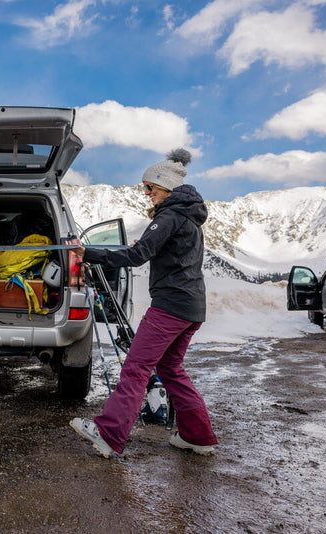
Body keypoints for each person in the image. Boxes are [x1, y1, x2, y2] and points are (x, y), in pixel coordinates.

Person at [69, 149, 218, 458]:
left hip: (170, 306)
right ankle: (198, 436)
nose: (146, 193)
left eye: (149, 187)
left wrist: (88, 253)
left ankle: (109, 434)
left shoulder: (169, 214)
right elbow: (167, 252)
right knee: (171, 368)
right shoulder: (189, 217)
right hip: (192, 307)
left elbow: (137, 257)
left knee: (136, 367)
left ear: (165, 186)